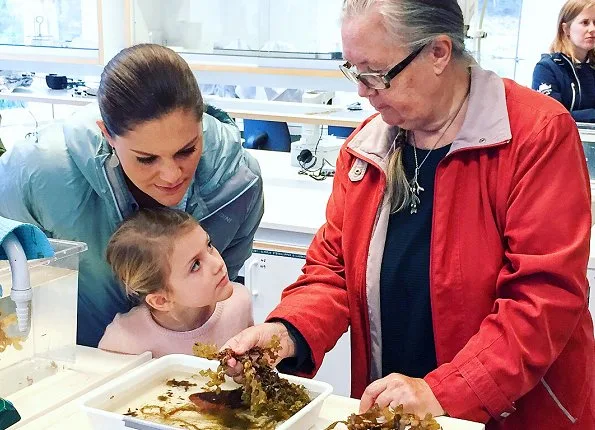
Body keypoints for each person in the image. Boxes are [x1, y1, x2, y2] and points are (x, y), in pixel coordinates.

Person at [222, 1, 595, 429]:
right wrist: (287, 332)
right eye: (353, 71)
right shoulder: (368, 148)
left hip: (514, 413)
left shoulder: (536, 134)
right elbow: (334, 270)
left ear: (438, 52)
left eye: (375, 73)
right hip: (400, 411)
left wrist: (445, 390)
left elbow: (542, 301)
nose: (362, 90)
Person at [0, 44, 264, 348]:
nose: (172, 175)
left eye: (186, 150)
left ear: (201, 124)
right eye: (147, 159)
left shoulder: (238, 186)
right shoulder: (36, 174)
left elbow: (213, 297)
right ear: (107, 135)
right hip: (68, 366)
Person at [98, 208, 253, 358]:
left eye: (209, 245)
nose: (217, 264)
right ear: (161, 300)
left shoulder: (239, 303)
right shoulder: (122, 340)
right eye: (195, 265)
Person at [532, 0, 595, 122]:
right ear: (566, 29)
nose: (592, 29)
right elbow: (551, 116)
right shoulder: (547, 68)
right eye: (585, 22)